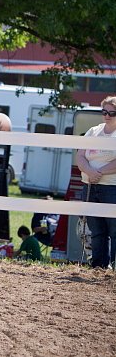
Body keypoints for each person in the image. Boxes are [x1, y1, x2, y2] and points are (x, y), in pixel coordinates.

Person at [76, 95, 116, 269]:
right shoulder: (94, 131)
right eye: (104, 112)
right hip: (90, 185)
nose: (107, 116)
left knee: (114, 230)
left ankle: (114, 267)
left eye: (112, 113)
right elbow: (80, 155)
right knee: (96, 229)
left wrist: (99, 172)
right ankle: (98, 267)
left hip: (111, 187)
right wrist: (89, 171)